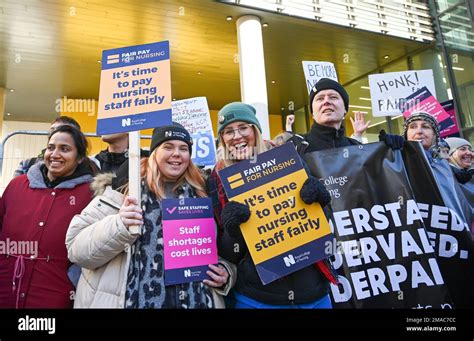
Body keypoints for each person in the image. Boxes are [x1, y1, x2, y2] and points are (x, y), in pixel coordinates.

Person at [66, 123, 234, 308]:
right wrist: (119, 225)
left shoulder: (202, 195)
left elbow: (219, 253)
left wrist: (225, 273)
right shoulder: (124, 190)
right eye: (168, 147)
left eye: (183, 148)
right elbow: (77, 250)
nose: (177, 153)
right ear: (154, 152)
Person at [208, 102, 337, 309]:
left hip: (312, 293)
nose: (237, 136)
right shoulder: (217, 179)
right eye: (228, 131)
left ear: (255, 130)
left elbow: (326, 222)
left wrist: (320, 201)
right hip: (257, 298)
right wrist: (233, 231)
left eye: (243, 127)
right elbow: (227, 254)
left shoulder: (288, 159)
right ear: (222, 139)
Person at [0, 125, 96, 308]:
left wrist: (72, 279)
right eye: (51, 147)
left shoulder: (91, 194)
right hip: (6, 286)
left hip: (54, 292)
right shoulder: (17, 185)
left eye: (65, 149)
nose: (55, 154)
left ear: (80, 157)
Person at [13, 116, 82, 177]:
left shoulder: (88, 171)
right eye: (52, 130)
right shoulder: (27, 164)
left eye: (61, 130)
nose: (54, 133)